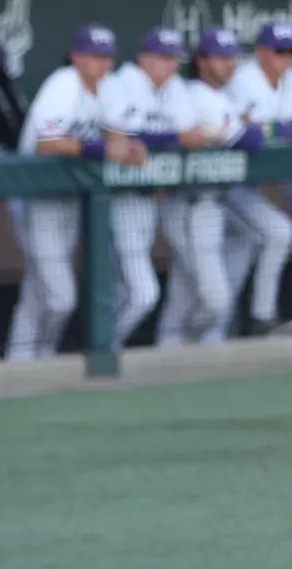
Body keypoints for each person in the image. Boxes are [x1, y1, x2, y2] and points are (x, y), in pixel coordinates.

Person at [5, 25, 137, 362]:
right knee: (59, 295)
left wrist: (129, 145)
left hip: (68, 198)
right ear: (76, 56)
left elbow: (118, 139)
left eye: (107, 57)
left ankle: (22, 362)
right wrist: (103, 148)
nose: (102, 64)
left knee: (40, 288)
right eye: (94, 56)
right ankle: (37, 356)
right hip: (35, 195)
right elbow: (46, 143)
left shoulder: (109, 87)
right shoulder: (62, 84)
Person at [157, 26, 279, 346]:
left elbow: (249, 131)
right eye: (220, 57)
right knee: (215, 301)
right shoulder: (198, 96)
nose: (228, 63)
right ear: (201, 61)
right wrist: (254, 127)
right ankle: (177, 348)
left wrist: (249, 126)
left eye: (231, 57)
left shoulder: (219, 96)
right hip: (188, 203)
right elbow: (251, 139)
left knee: (184, 294)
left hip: (213, 204)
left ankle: (172, 354)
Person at [98, 27, 205, 349]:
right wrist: (171, 137)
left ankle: (104, 353)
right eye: (162, 58)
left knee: (124, 289)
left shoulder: (176, 88)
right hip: (116, 198)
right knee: (142, 293)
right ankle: (103, 351)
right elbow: (120, 136)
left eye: (173, 59)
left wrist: (169, 137)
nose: (170, 65)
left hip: (152, 198)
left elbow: (193, 134)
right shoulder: (121, 83)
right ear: (144, 57)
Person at [226, 19, 292, 333]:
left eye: (291, 50)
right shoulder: (243, 80)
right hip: (225, 184)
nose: (287, 57)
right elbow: (254, 133)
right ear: (261, 52)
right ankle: (257, 319)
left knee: (234, 265)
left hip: (250, 189)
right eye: (280, 50)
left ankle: (243, 327)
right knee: (218, 273)